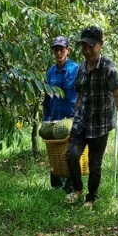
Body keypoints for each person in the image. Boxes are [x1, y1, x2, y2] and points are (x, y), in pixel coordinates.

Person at [64, 26, 118, 209]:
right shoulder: (81, 69)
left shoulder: (109, 68)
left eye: (91, 46)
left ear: (100, 44)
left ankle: (90, 198)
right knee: (71, 155)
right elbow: (80, 94)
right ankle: (77, 189)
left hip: (100, 124)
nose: (87, 51)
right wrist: (74, 115)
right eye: (84, 46)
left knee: (95, 164)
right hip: (82, 121)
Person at [42, 35, 79, 192]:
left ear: (68, 50)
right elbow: (47, 97)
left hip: (71, 118)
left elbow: (82, 94)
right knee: (55, 152)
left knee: (69, 153)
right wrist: (46, 119)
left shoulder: (76, 70)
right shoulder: (50, 73)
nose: (58, 53)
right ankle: (56, 186)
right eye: (55, 50)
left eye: (61, 49)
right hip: (54, 117)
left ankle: (70, 186)